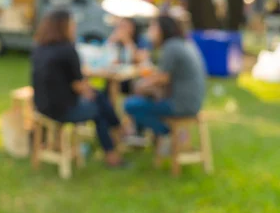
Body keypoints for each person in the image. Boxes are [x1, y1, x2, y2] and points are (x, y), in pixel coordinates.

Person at [31, 9, 126, 168]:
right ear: (64, 26)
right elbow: (79, 86)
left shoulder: (39, 48)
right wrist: (90, 93)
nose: (74, 27)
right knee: (99, 108)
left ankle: (117, 131)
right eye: (72, 24)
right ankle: (114, 146)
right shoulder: (67, 49)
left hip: (41, 106)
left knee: (99, 98)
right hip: (61, 110)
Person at [124, 16, 206, 152]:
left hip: (180, 104)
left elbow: (161, 78)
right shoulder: (184, 43)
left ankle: (170, 134)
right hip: (192, 102)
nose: (150, 32)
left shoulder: (171, 47)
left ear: (162, 29)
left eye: (153, 27)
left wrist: (141, 85)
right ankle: (145, 136)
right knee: (146, 99)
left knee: (130, 105)